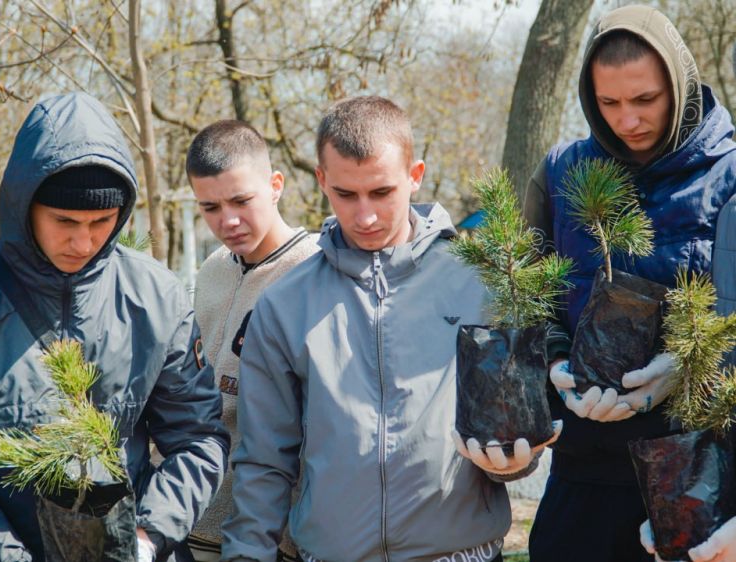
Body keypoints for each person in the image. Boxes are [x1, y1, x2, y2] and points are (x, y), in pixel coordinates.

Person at [0, 92, 229, 562]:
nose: (83, 240)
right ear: (23, 206)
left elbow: (197, 438)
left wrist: (148, 538)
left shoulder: (157, 295)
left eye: (102, 221)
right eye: (64, 221)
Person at [221, 96, 555, 562]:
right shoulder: (284, 303)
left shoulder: (482, 285)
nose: (365, 216)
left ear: (415, 176)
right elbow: (263, 463)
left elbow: (511, 433)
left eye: (381, 192)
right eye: (345, 194)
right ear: (321, 181)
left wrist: (514, 463)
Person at [520, 6, 736, 562]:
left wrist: (688, 368)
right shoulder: (562, 171)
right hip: (585, 473)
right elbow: (526, 298)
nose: (628, 120)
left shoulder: (729, 174)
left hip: (698, 471)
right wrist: (556, 360)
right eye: (609, 103)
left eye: (645, 100)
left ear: (680, 84)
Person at [185, 120, 319, 561]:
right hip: (197, 523)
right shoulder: (211, 270)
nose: (229, 221)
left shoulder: (316, 271)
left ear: (275, 185)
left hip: (277, 535)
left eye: (241, 200)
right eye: (210, 207)